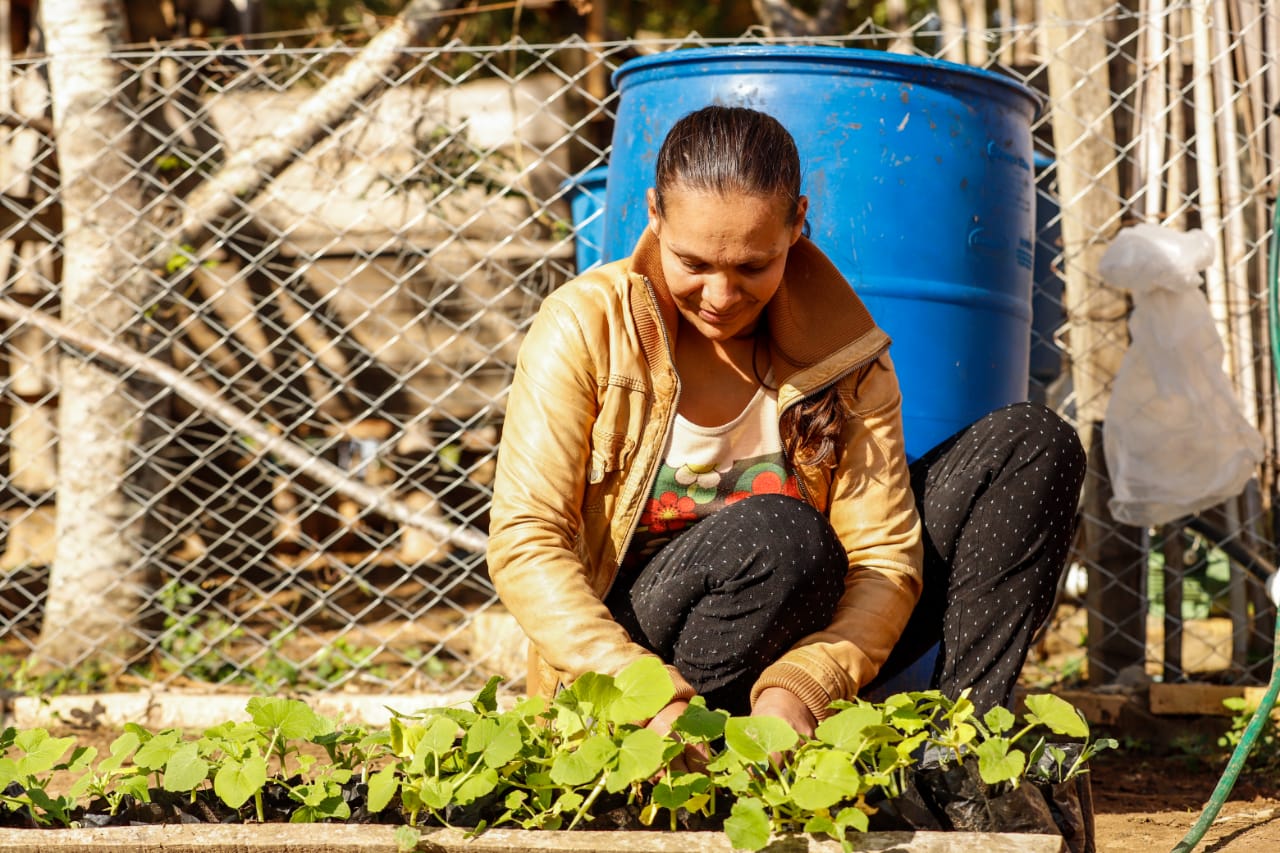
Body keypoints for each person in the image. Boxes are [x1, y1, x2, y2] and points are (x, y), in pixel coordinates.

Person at [486, 105, 1085, 741]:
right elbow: (527, 542)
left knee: (1032, 446)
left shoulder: (847, 356)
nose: (720, 297)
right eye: (693, 264)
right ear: (655, 214)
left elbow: (883, 555)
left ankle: (960, 754)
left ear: (798, 222)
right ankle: (692, 749)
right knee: (781, 535)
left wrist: (806, 683)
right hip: (640, 668)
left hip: (797, 633)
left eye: (752, 266)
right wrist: (643, 692)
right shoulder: (584, 326)